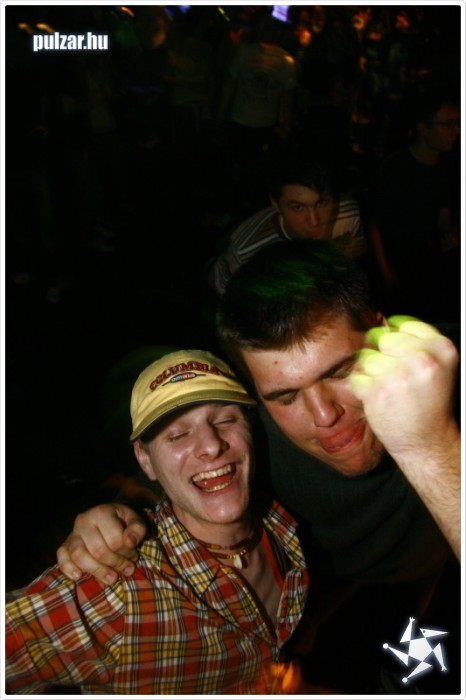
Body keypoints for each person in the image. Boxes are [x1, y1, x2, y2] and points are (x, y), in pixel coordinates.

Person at [55, 241, 460, 691]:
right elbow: (176, 474)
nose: (324, 416)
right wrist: (116, 517)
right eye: (285, 397)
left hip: (433, 561)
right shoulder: (252, 438)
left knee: (421, 638)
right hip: (323, 578)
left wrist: (430, 444)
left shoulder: (450, 370)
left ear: (381, 334)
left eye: (339, 371)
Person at [5, 349, 309, 695]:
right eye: (177, 435)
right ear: (145, 460)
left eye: (226, 419)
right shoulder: (118, 586)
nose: (210, 446)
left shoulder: (281, 521)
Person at [209, 153, 367, 295]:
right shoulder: (246, 251)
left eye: (321, 203)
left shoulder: (348, 213)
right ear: (276, 204)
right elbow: (226, 296)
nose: (314, 222)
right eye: (297, 207)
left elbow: (357, 250)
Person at [367, 85, 460, 320]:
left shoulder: (447, 162)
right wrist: (383, 268)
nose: (456, 131)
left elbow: (441, 203)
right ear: (424, 128)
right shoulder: (395, 169)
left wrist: (449, 231)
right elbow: (373, 223)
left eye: (458, 123)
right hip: (395, 262)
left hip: (425, 260)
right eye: (448, 124)